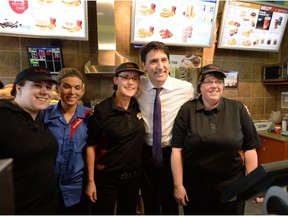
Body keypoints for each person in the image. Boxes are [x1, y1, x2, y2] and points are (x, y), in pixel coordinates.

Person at [171, 64, 261, 215]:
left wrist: (252, 184)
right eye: (208, 81)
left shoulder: (238, 109)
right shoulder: (187, 110)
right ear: (200, 86)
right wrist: (178, 185)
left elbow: (250, 148)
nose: (214, 86)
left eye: (218, 81)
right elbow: (176, 150)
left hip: (232, 187)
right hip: (196, 188)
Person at [135, 41, 195, 214]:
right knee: (150, 203)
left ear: (169, 63)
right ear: (144, 65)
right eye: (153, 61)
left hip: (173, 155)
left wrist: (237, 109)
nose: (160, 66)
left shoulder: (185, 89)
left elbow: (203, 106)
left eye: (164, 60)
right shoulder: (138, 87)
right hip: (146, 155)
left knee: (171, 204)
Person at [86, 62, 146, 215]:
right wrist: (91, 181)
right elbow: (91, 146)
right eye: (125, 77)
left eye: (135, 78)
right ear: (115, 80)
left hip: (133, 180)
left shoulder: (139, 106)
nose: (130, 82)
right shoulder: (101, 110)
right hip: (107, 180)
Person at [0, 66, 58, 214]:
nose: (44, 91)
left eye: (48, 87)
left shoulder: (37, 117)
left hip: (46, 205)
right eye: (37, 85)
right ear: (18, 88)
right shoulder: (3, 116)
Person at [42, 68, 91, 214]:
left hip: (77, 190)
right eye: (67, 86)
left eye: (77, 88)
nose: (72, 92)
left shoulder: (90, 116)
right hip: (47, 188)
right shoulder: (43, 116)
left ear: (82, 91)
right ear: (57, 89)